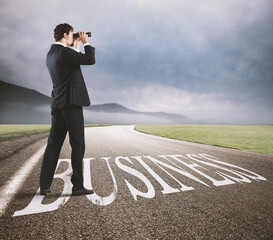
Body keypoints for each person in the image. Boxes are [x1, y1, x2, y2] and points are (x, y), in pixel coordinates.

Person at [39, 23, 95, 196]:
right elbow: (89, 60)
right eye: (72, 35)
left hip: (58, 103)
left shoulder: (51, 54)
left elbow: (68, 66)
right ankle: (77, 185)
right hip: (71, 104)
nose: (74, 37)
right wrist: (85, 42)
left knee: (53, 144)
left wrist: (75, 47)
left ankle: (44, 185)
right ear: (65, 35)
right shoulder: (65, 52)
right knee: (77, 143)